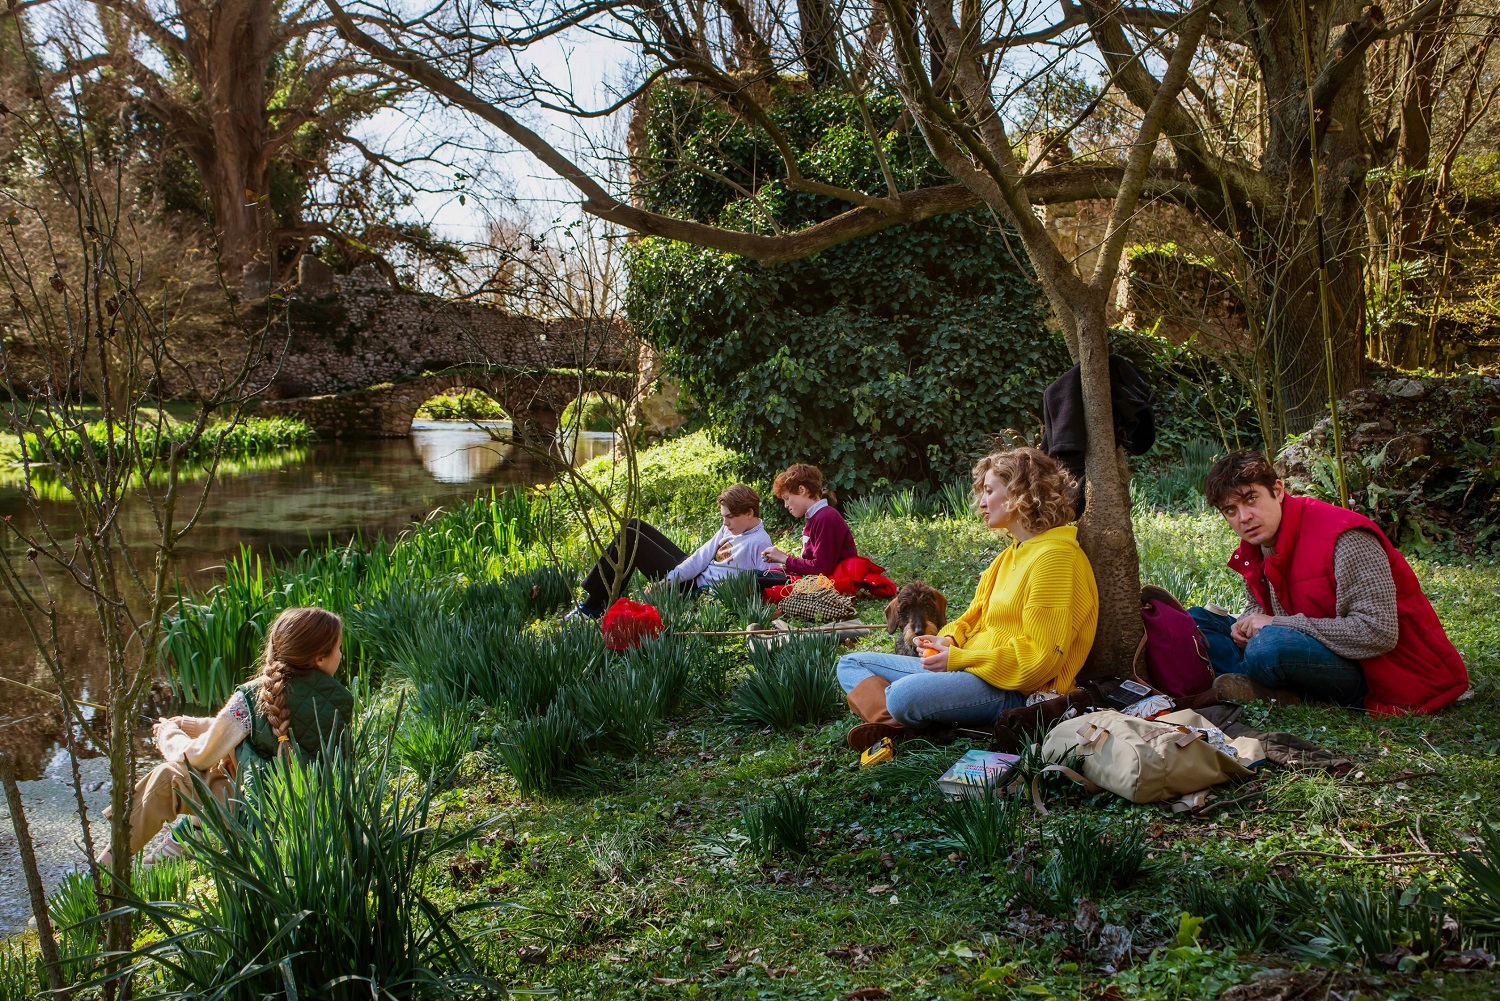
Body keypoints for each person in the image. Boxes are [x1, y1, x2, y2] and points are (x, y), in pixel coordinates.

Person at [836, 448, 1099, 749]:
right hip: (972, 668)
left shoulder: (1055, 559)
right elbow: (971, 619)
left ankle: (912, 714)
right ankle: (900, 725)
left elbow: (1039, 660)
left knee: (900, 695)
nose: (981, 503)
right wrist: (947, 641)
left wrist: (960, 659)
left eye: (989, 491)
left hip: (1013, 688)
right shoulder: (1008, 556)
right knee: (851, 663)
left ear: (1019, 492)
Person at [1190, 451, 1468, 714]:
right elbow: (1257, 604)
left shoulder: (1346, 538)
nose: (1244, 517)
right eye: (1230, 510)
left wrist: (1276, 624)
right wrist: (1247, 622)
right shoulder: (1259, 539)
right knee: (1194, 621)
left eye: (1251, 499)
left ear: (1277, 490)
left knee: (1268, 647)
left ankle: (1247, 679)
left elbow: (1378, 633)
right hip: (1304, 643)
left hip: (1375, 670)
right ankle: (1254, 682)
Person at [107, 607, 352, 861]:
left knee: (170, 777)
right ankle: (186, 837)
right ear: (319, 659)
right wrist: (193, 724)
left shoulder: (255, 695)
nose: (341, 655)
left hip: (260, 825)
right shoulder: (340, 701)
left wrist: (167, 736)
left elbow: (197, 757)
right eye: (339, 649)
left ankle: (107, 869)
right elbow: (263, 730)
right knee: (228, 758)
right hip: (318, 823)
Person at [568, 484, 776, 618]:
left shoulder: (759, 543)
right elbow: (700, 557)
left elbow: (768, 582)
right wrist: (670, 579)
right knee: (634, 524)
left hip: (695, 589)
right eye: (723, 516)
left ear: (749, 513)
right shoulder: (730, 528)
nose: (725, 522)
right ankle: (599, 598)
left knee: (629, 538)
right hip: (691, 573)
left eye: (729, 516)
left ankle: (592, 606)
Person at [761, 463, 857, 577]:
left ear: (802, 490)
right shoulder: (816, 517)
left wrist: (785, 559)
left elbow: (822, 569)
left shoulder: (826, 518)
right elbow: (813, 564)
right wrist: (783, 558)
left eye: (787, 498)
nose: (786, 505)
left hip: (834, 585)